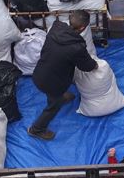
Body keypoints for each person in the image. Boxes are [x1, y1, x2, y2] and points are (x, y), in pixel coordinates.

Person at [29, 10, 97, 139]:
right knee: (53, 106)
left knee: (55, 89)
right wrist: (95, 65)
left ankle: (61, 96)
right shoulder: (76, 47)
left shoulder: (55, 28)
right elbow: (86, 66)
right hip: (52, 83)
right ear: (83, 28)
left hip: (39, 73)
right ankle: (36, 129)